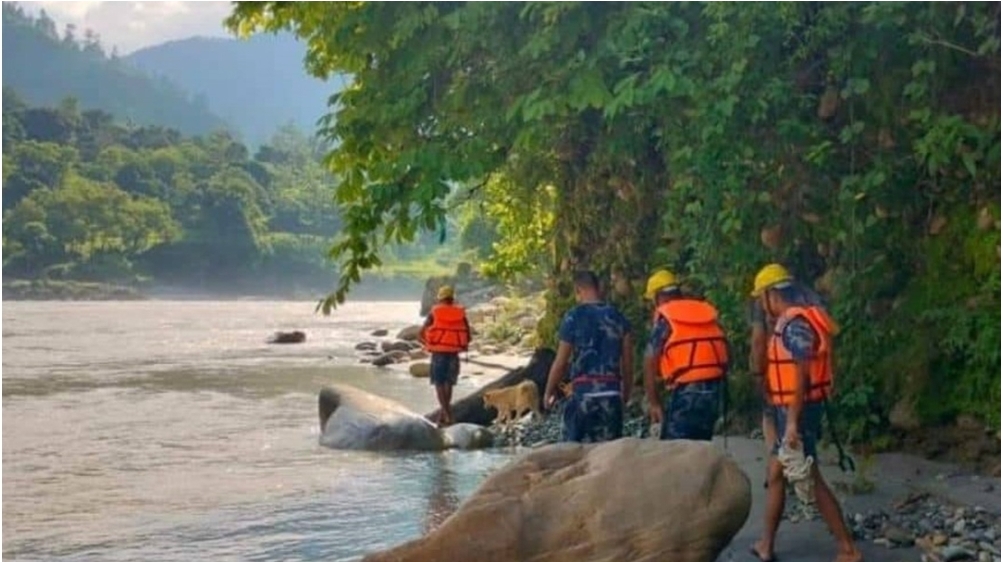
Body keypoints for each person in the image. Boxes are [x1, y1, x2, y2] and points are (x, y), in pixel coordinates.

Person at [749, 263, 861, 562]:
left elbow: (801, 373)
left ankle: (847, 548)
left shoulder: (795, 324)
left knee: (810, 477)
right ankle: (766, 544)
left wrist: (792, 424)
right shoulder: (791, 321)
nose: (762, 304)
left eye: (762, 297)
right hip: (792, 410)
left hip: (795, 413)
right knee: (776, 473)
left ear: (772, 295)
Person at [543, 270, 634, 443]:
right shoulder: (618, 317)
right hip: (611, 395)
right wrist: (625, 393)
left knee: (577, 456)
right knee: (608, 457)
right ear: (598, 288)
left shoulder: (573, 317)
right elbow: (628, 362)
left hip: (583, 395)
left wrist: (549, 391)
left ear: (578, 291)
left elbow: (561, 362)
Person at [641, 269, 729, 441]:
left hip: (687, 393)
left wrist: (654, 403)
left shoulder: (666, 317)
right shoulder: (704, 312)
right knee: (701, 445)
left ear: (658, 298)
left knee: (675, 450)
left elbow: (649, 360)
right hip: (715, 391)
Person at [419, 285, 471, 427]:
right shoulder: (460, 313)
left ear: (440, 298)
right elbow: (468, 335)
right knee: (449, 383)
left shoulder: (434, 312)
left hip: (438, 353)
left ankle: (447, 414)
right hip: (454, 353)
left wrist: (429, 344)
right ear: (452, 298)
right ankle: (444, 415)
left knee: (439, 383)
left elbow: (421, 333)